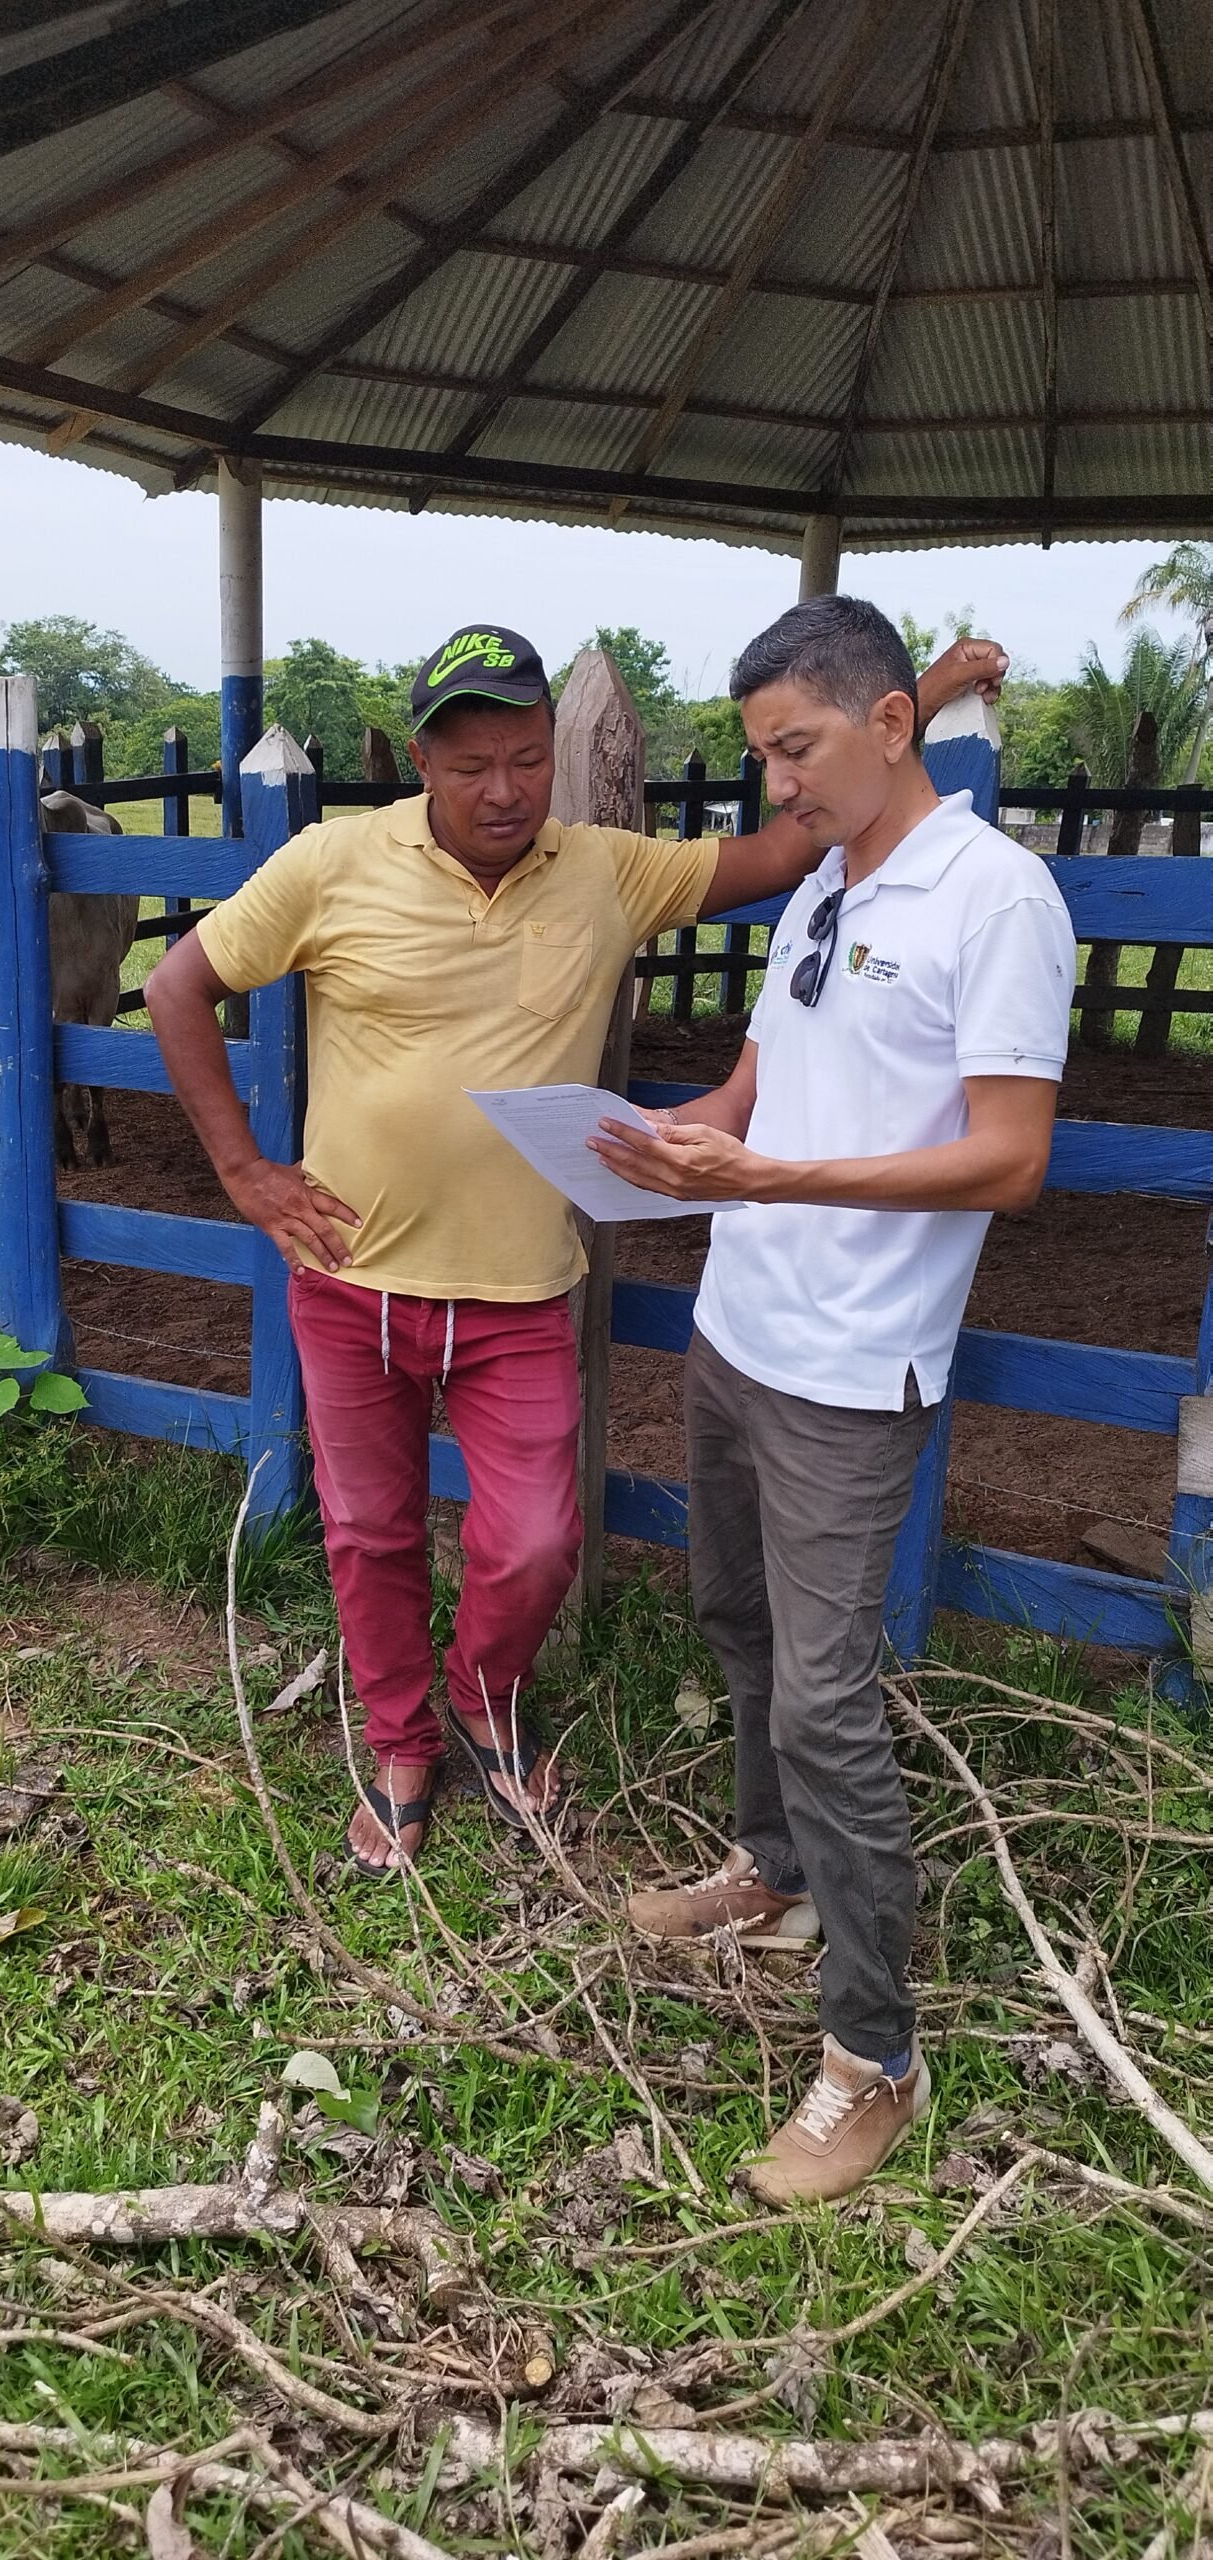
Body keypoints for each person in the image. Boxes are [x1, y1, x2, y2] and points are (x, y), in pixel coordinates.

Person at [147, 620, 1005, 1883]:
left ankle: (485, 1699)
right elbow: (179, 986)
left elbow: (789, 839)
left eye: (528, 759)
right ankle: (400, 1744)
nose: (503, 791)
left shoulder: (606, 869)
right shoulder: (331, 862)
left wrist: (911, 699)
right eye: (471, 765)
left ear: (553, 754)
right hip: (351, 1282)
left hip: (522, 1292)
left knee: (536, 1539)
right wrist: (244, 1171)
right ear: (421, 764)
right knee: (369, 1530)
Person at [593, 595, 1073, 2205]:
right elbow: (759, 1081)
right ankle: (773, 1871)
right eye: (759, 757)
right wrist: (677, 1131)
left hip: (857, 1365)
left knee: (826, 1700)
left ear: (888, 724)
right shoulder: (822, 887)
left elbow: (1010, 1160)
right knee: (732, 1615)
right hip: (742, 1323)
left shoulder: (992, 898)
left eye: (793, 751)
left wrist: (775, 1171)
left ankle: (873, 2053)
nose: (774, 787)